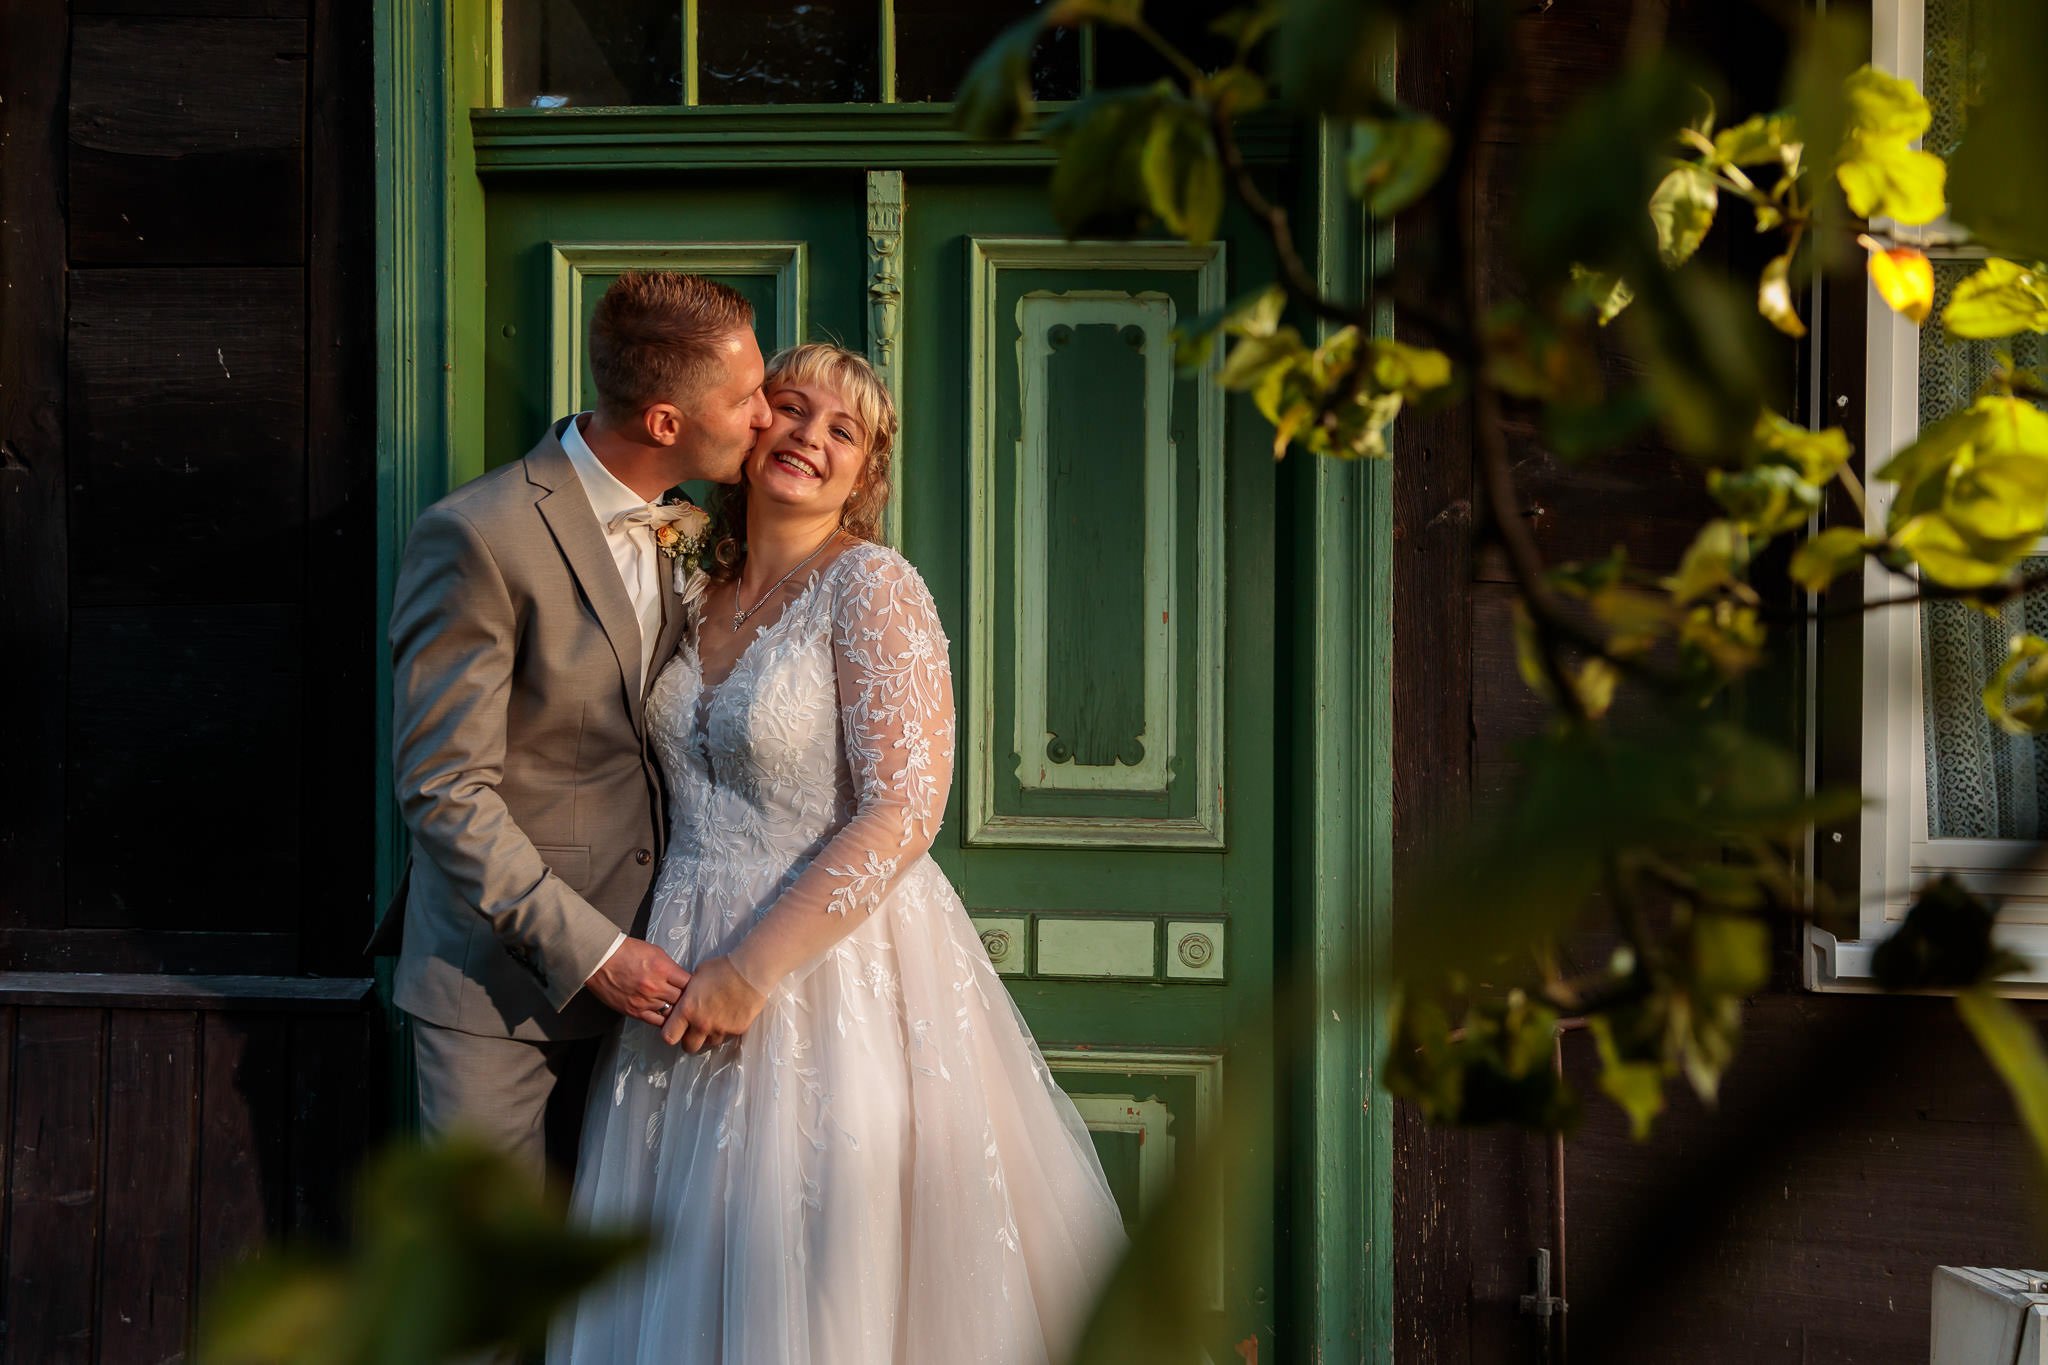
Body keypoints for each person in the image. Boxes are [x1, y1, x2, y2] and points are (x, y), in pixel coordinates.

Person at [552, 344, 1127, 1365]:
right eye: (791, 407)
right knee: (679, 1270)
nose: (810, 437)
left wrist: (751, 970)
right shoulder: (687, 582)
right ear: (746, 424)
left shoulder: (871, 589)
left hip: (830, 977)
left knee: (815, 1269)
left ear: (866, 474)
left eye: (844, 430)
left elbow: (906, 809)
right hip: (671, 965)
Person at [372, 271, 770, 1184]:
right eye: (744, 396)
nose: (764, 415)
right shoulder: (478, 537)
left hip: (667, 986)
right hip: (500, 992)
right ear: (666, 421)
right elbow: (443, 791)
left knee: (621, 1308)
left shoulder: (701, 528)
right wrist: (594, 954)